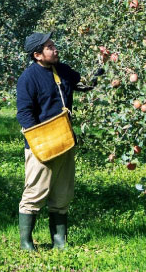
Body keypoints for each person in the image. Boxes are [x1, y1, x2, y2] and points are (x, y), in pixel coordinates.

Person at [16, 32, 96, 251]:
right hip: (41, 144)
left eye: (53, 45)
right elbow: (24, 113)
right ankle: (26, 243)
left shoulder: (62, 70)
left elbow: (83, 84)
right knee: (35, 192)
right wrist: (38, 141)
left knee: (63, 193)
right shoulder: (28, 78)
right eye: (50, 47)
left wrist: (102, 70)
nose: (55, 49)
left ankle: (59, 241)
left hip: (64, 140)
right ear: (37, 54)